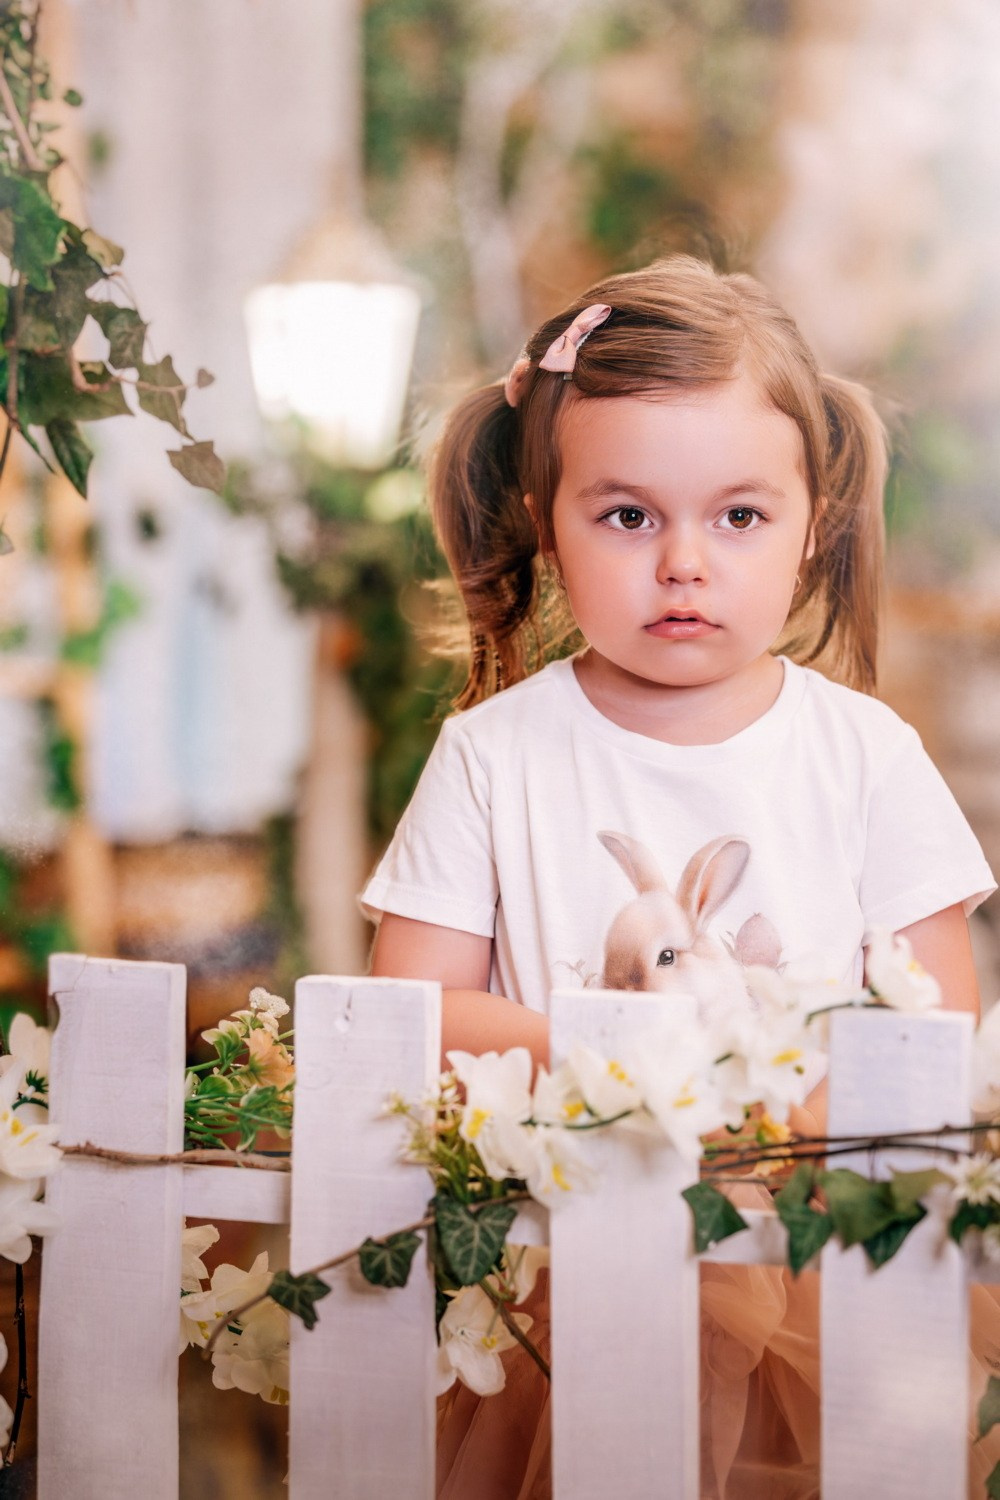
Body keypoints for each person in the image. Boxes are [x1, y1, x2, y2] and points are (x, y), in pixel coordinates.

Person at [360, 257, 996, 1499]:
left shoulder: (867, 758)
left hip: (817, 1276)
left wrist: (769, 1107)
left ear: (814, 526)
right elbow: (408, 1014)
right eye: (628, 516)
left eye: (738, 517)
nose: (684, 562)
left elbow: (937, 1035)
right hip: (562, 1275)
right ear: (547, 524)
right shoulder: (493, 756)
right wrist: (643, 1065)